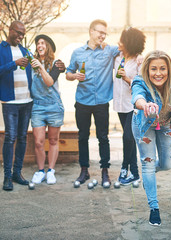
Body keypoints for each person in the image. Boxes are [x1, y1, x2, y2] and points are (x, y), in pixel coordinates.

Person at [131, 50, 171, 226]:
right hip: (144, 125)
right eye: (154, 69)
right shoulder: (139, 81)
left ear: (169, 69)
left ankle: (149, 175)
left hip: (167, 124)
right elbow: (137, 97)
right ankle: (154, 208)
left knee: (168, 164)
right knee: (148, 162)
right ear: (147, 69)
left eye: (163, 68)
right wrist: (145, 105)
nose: (158, 73)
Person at [66, 19, 119, 187]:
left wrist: (139, 59)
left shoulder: (110, 51)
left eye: (105, 33)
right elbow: (68, 73)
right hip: (82, 101)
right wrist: (74, 76)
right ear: (91, 31)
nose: (102, 35)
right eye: (100, 32)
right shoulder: (78, 52)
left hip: (102, 102)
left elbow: (128, 49)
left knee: (103, 137)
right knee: (83, 136)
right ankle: (84, 170)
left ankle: (105, 171)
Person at [0, 20, 33, 191]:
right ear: (10, 30)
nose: (21, 37)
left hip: (27, 101)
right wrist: (14, 63)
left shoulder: (25, 51)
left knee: (22, 138)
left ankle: (17, 173)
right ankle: (7, 176)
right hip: (10, 102)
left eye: (23, 34)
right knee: (10, 137)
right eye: (18, 33)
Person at [30, 34, 66, 185]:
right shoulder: (31, 64)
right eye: (38, 43)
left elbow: (50, 82)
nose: (40, 45)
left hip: (53, 106)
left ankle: (50, 170)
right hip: (37, 106)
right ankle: (40, 171)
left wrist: (40, 66)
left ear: (48, 46)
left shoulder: (56, 64)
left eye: (43, 43)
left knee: (53, 140)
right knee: (38, 142)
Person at [113, 27, 146, 185]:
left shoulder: (139, 61)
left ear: (130, 43)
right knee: (129, 139)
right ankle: (135, 173)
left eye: (122, 40)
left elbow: (142, 86)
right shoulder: (117, 58)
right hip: (120, 105)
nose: (119, 43)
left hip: (133, 105)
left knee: (128, 137)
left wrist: (127, 78)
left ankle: (124, 168)